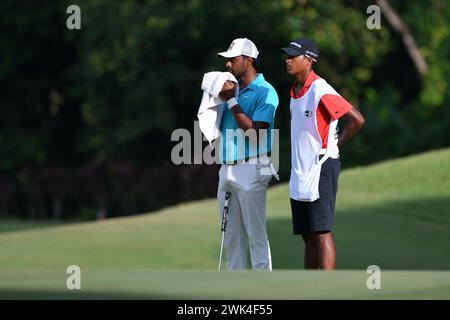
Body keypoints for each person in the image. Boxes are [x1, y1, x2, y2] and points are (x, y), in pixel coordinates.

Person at [280, 37, 365, 270]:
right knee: (307, 235)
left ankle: (327, 289)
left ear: (308, 61)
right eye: (287, 56)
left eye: (292, 57)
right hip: (301, 170)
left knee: (321, 232)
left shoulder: (320, 89)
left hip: (321, 167)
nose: (287, 61)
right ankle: (309, 286)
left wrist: (336, 143)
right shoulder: (294, 90)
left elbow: (356, 119)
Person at [216, 38, 279, 271]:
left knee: (256, 237)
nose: (228, 65)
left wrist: (232, 100)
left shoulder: (266, 91)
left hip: (252, 168)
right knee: (231, 239)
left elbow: (256, 134)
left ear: (249, 60)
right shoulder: (229, 90)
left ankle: (264, 291)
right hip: (226, 168)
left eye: (233, 60)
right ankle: (235, 292)